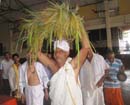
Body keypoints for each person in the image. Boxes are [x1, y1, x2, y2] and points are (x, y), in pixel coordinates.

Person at [38, 35, 90, 105]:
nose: (57, 54)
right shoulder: (53, 66)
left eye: (60, 51)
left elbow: (86, 48)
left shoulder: (73, 65)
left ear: (67, 53)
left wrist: (80, 30)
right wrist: (39, 35)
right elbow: (37, 53)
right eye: (55, 51)